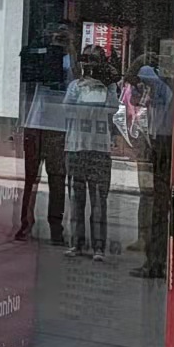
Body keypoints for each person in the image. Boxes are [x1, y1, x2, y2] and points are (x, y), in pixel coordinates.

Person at [18, 21, 76, 243]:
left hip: (59, 126)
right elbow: (28, 74)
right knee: (30, 177)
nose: (59, 37)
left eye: (64, 34)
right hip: (36, 121)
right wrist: (48, 48)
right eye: (57, 34)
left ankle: (56, 227)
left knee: (57, 179)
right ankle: (25, 222)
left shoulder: (72, 59)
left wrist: (70, 50)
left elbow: (78, 80)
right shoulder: (41, 52)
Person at [60, 48, 118, 261]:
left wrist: (103, 83)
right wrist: (85, 87)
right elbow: (67, 109)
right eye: (87, 61)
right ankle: (76, 243)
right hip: (76, 145)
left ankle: (98, 246)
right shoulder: (75, 86)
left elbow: (112, 109)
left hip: (99, 148)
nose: (90, 66)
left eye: (95, 61)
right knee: (76, 197)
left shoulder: (109, 87)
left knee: (99, 199)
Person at [129, 55, 174, 280]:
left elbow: (134, 75)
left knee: (159, 208)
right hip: (156, 145)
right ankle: (154, 260)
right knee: (154, 205)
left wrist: (142, 60)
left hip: (165, 146)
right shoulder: (154, 90)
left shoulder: (163, 88)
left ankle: (157, 261)